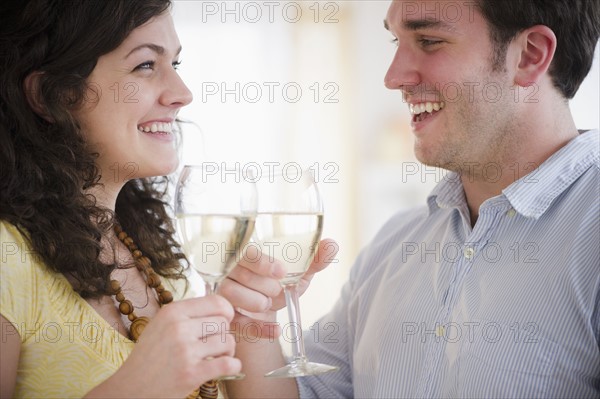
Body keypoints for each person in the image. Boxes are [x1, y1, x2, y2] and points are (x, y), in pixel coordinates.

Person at [223, 0, 600, 397]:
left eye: (429, 40)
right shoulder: (393, 244)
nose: (393, 76)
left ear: (529, 55)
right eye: (396, 41)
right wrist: (253, 323)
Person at [0, 1, 264, 397]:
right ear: (48, 94)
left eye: (174, 65)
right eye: (145, 65)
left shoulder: (155, 258)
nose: (183, 93)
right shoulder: (7, 260)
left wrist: (250, 322)